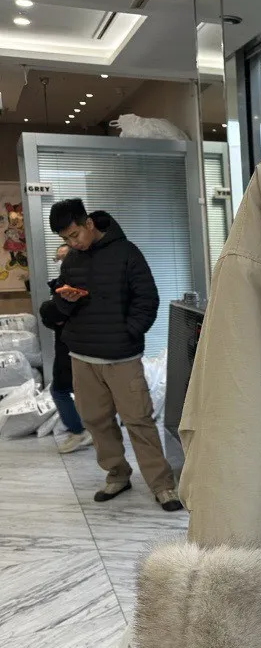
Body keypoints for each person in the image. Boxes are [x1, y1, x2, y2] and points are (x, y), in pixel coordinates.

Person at [48, 198, 183, 512]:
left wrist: (129, 332)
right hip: (82, 356)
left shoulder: (127, 252)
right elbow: (61, 302)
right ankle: (117, 474)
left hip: (122, 358)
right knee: (96, 421)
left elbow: (147, 299)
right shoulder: (72, 260)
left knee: (139, 421)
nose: (72, 243)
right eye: (66, 239)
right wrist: (65, 300)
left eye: (74, 235)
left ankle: (162, 485)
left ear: (89, 223)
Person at [38, 244, 93, 454]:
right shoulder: (64, 282)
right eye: (58, 258)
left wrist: (50, 311)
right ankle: (90, 429)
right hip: (69, 344)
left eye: (64, 257)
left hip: (74, 346)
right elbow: (53, 317)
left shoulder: (76, 283)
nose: (60, 262)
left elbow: (57, 314)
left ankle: (79, 431)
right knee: (78, 390)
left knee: (60, 390)